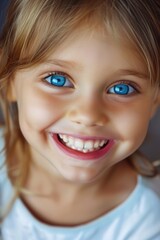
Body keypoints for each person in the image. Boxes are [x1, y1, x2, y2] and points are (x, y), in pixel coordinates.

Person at [0, 0, 160, 239]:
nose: (87, 116)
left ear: (155, 100)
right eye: (57, 80)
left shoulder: (149, 219)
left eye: (122, 89)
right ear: (10, 80)